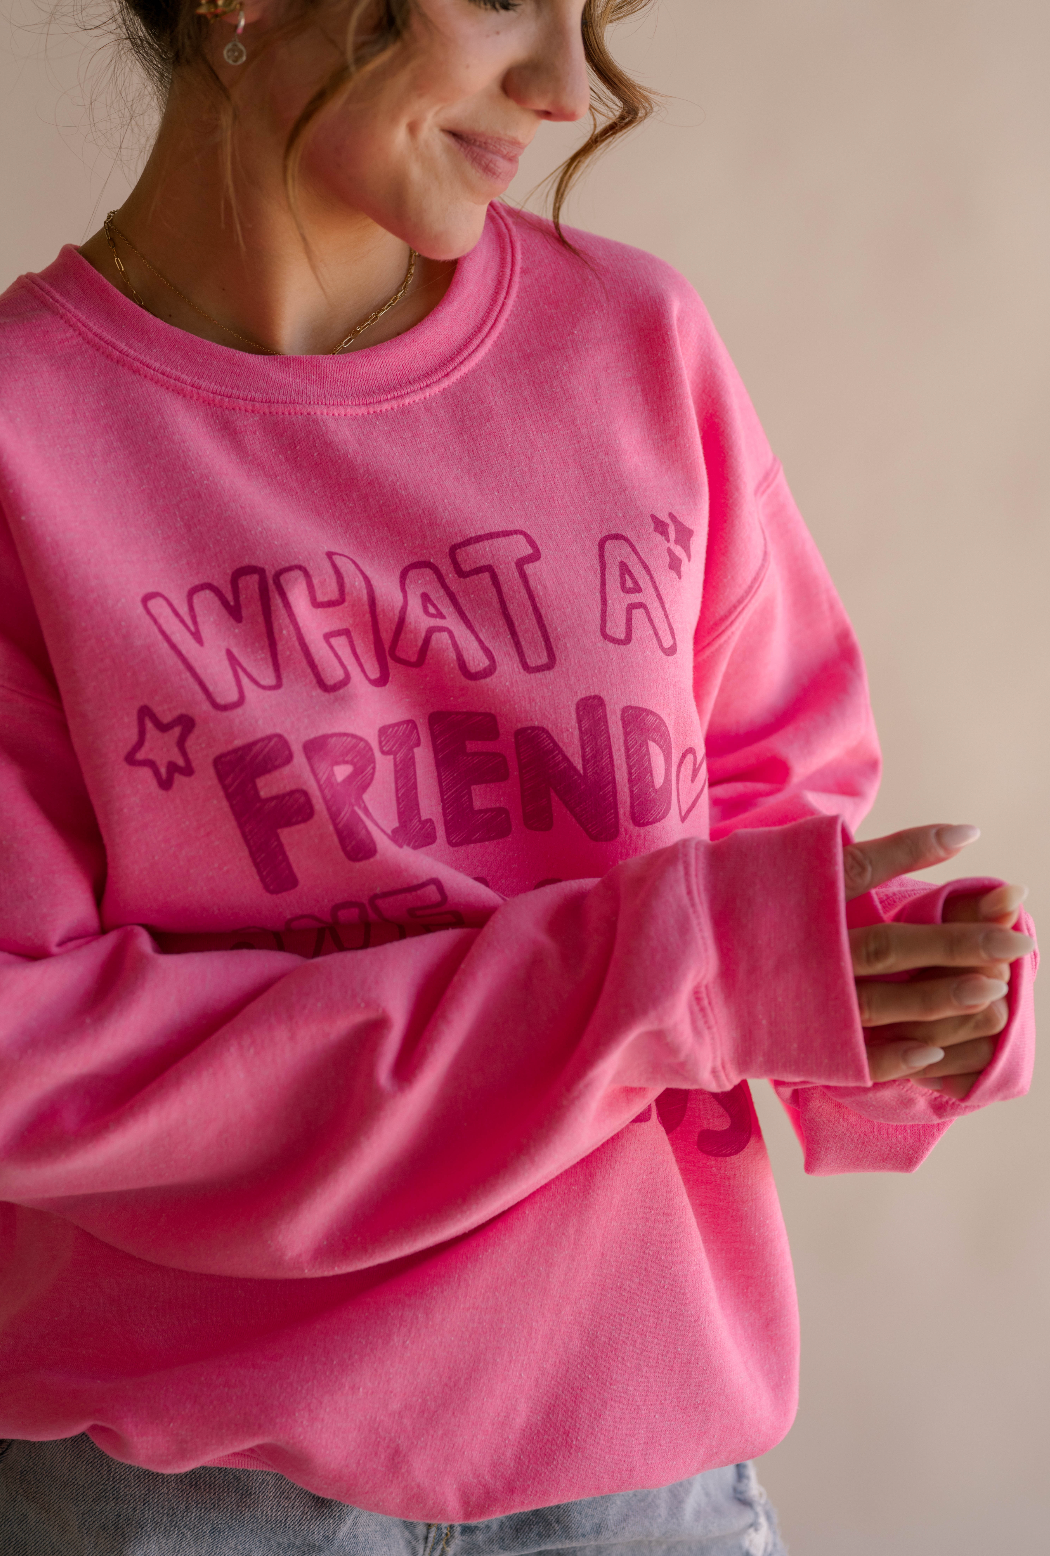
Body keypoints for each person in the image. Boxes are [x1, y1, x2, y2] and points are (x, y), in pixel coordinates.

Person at [0, 0, 1036, 1551]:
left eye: (589, 12)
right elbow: (33, 1060)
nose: (565, 88)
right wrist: (678, 977)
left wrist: (879, 986)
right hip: (186, 1495)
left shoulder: (632, 342)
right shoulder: (25, 440)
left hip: (644, 1473)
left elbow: (769, 810)